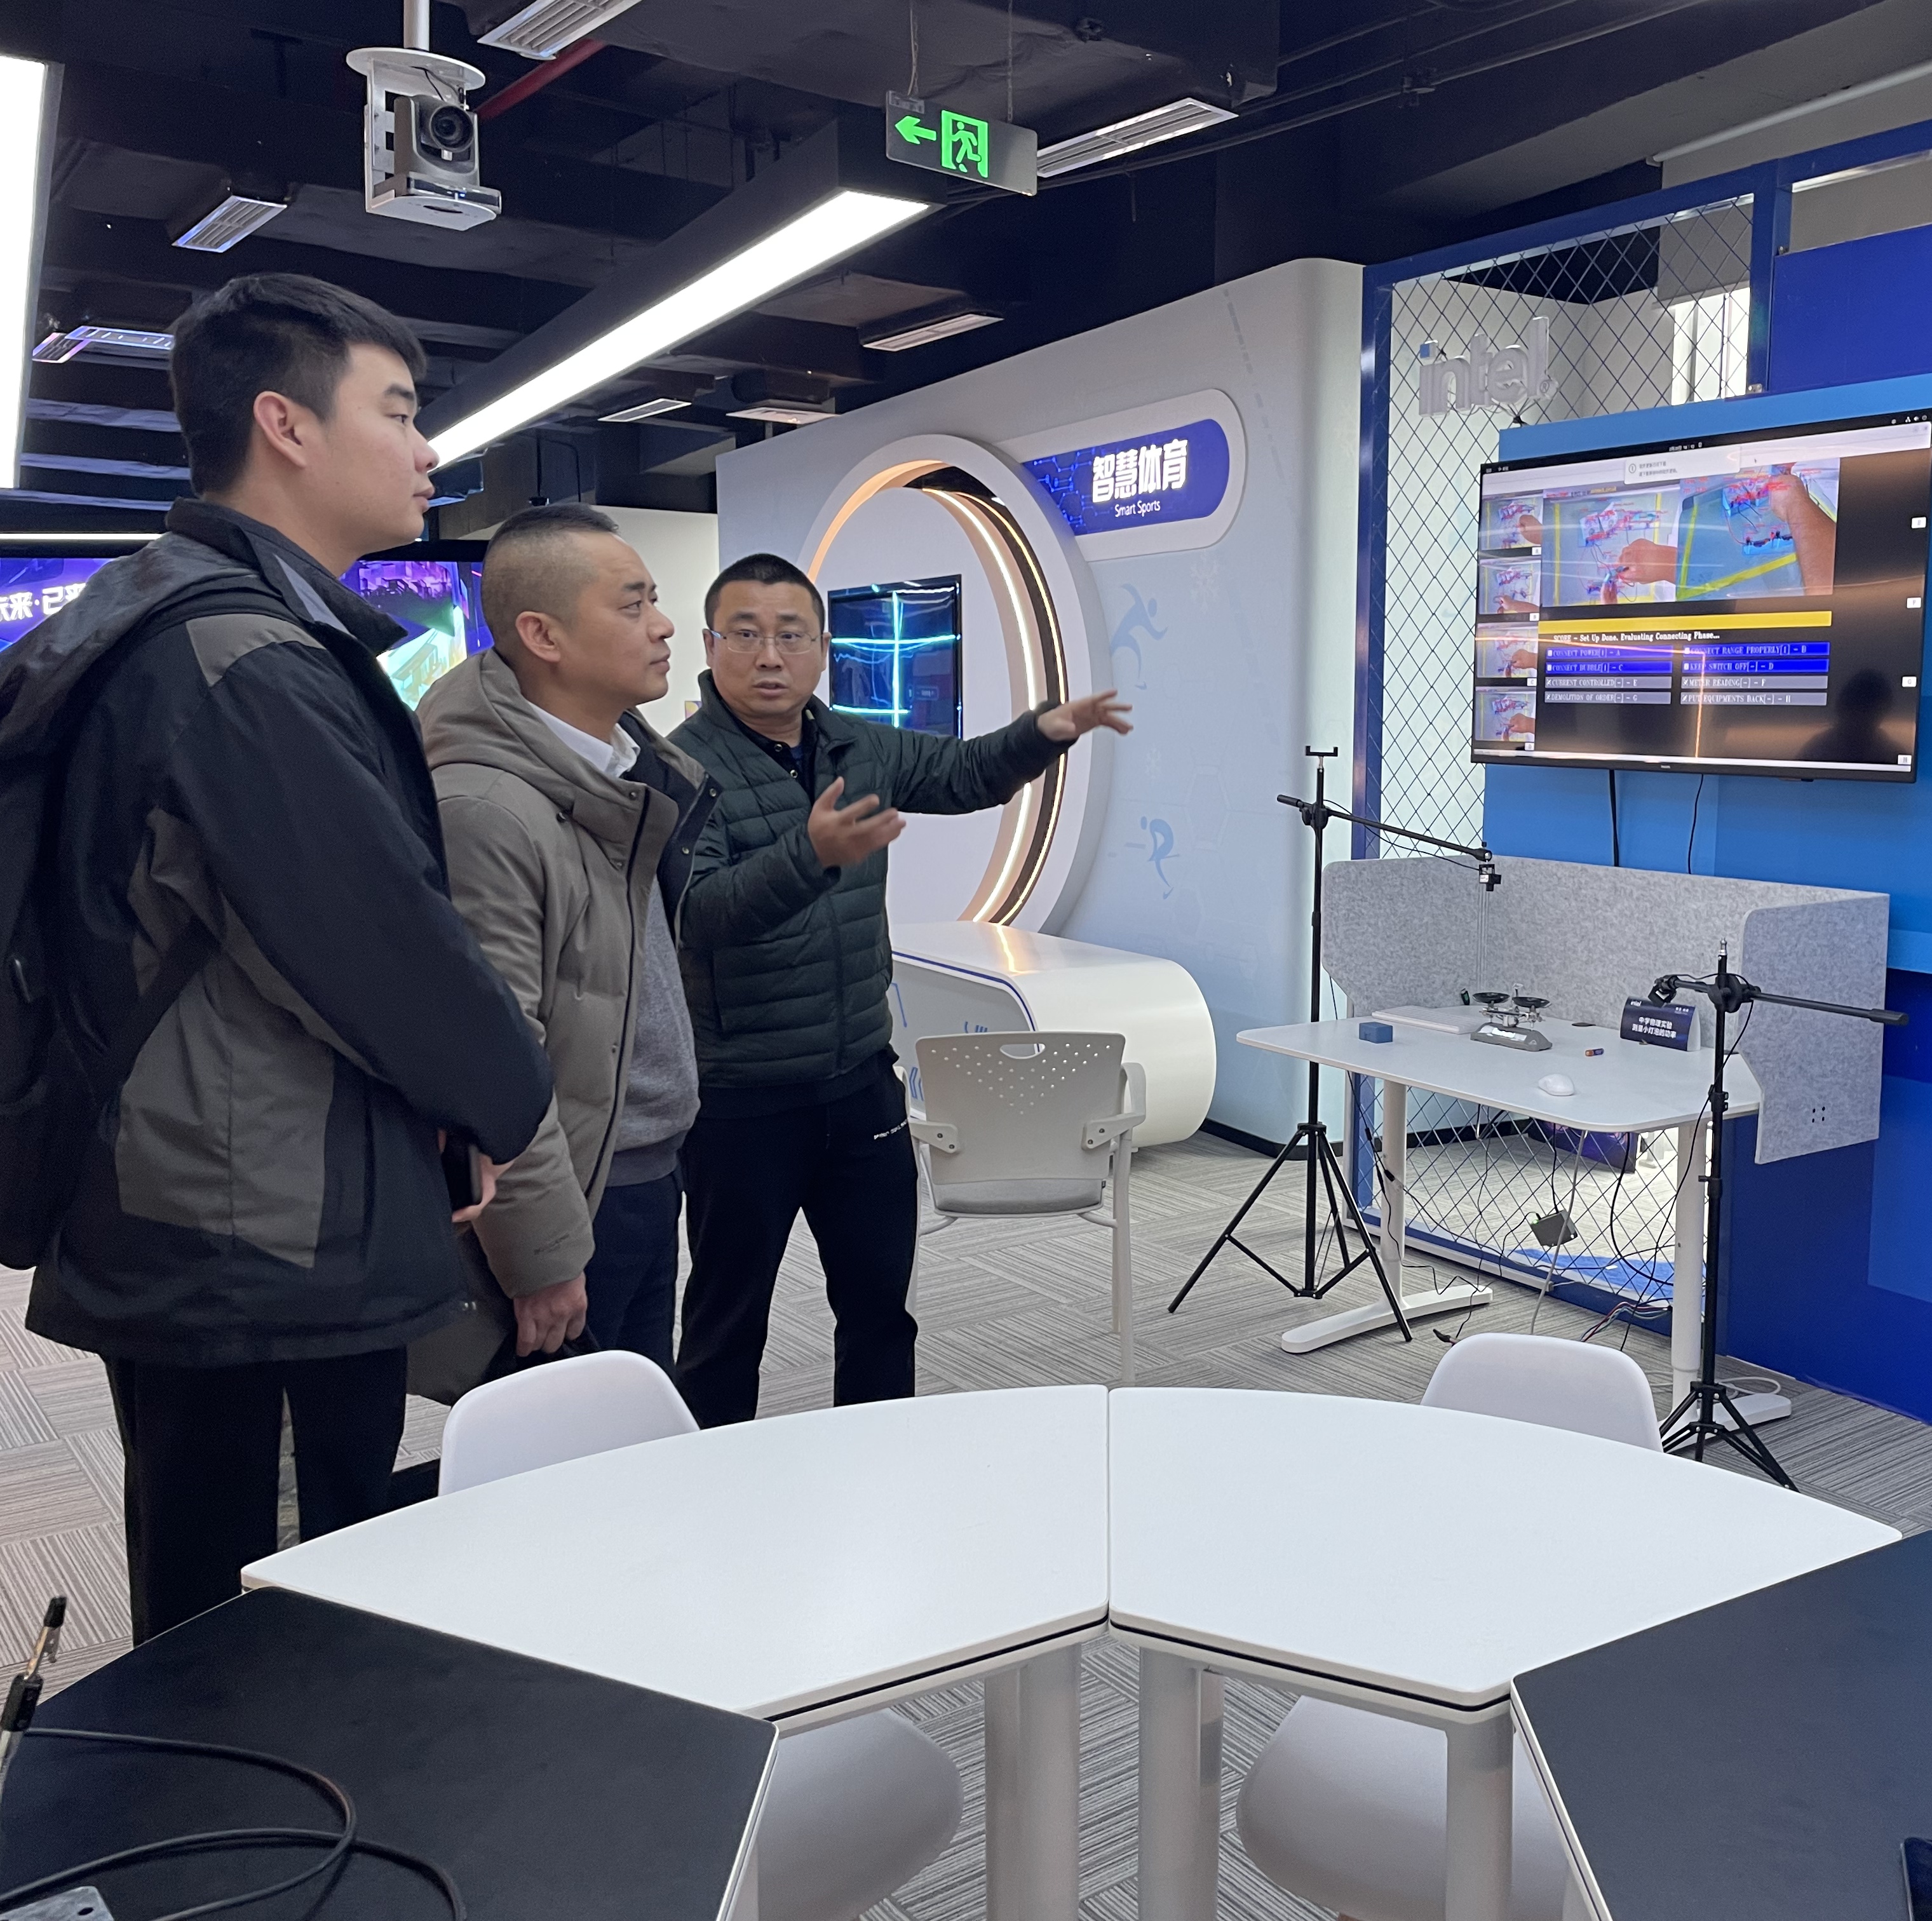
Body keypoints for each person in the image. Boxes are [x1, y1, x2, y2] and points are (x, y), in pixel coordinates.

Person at [3, 274, 553, 1638]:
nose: (428, 448)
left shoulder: (172, 619)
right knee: (278, 1620)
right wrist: (503, 1098)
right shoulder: (244, 662)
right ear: (285, 425)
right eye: (400, 410)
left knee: (213, 1583)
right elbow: (386, 953)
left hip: (196, 1197)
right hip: (261, 1232)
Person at [670, 554, 1131, 1424]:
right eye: (746, 634)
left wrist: (1044, 732)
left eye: (790, 635)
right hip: (742, 1099)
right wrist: (809, 856)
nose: (769, 656)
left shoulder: (859, 743)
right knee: (728, 1325)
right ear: (710, 645)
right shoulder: (680, 769)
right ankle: (710, 1485)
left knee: (881, 1309)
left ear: (822, 648)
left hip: (859, 1080)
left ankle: (883, 1469)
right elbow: (699, 915)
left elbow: (963, 772)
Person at [414, 504, 713, 1391]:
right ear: (542, 635)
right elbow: (489, 1052)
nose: (663, 625)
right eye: (633, 604)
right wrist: (542, 1252)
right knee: (571, 1451)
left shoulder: (615, 772)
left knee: (637, 1433)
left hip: (638, 1167)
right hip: (579, 1190)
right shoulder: (487, 810)